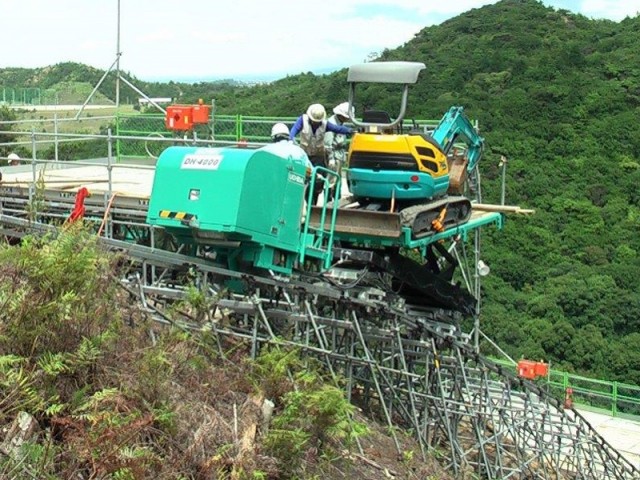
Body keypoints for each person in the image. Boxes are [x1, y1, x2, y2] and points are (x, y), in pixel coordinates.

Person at [289, 103, 353, 205]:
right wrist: (291, 139)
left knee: (318, 182)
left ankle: (313, 205)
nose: (315, 123)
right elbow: (294, 130)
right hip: (305, 156)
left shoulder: (324, 124)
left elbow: (337, 129)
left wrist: (350, 131)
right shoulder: (303, 120)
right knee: (305, 181)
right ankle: (304, 204)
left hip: (318, 157)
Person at [324, 102, 354, 201]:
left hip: (339, 154)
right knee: (331, 179)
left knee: (337, 179)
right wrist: (331, 158)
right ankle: (328, 202)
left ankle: (337, 200)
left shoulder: (339, 123)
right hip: (334, 155)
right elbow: (328, 143)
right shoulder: (331, 123)